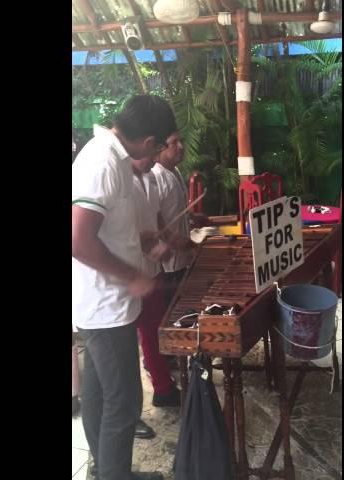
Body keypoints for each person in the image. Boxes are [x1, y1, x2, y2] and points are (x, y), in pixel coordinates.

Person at [72, 95, 177, 480]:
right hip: (106, 305)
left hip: (103, 303)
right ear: (149, 142)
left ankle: (105, 470)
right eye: (163, 144)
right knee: (125, 403)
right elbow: (78, 240)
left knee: (99, 397)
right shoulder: (102, 163)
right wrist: (132, 275)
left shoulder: (110, 155)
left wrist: (141, 237)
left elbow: (107, 226)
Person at [130, 153, 182, 409]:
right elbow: (115, 232)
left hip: (152, 270)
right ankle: (136, 409)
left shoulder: (151, 175)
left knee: (154, 331)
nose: (153, 158)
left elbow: (158, 217)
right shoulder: (118, 179)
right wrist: (146, 244)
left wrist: (171, 240)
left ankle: (163, 389)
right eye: (151, 150)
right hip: (127, 276)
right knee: (131, 344)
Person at [151, 132, 206, 308]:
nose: (181, 146)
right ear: (160, 147)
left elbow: (175, 208)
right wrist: (175, 241)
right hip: (167, 266)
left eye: (181, 141)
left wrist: (191, 217)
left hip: (182, 259)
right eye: (174, 142)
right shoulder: (155, 176)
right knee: (170, 315)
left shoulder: (175, 170)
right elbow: (152, 217)